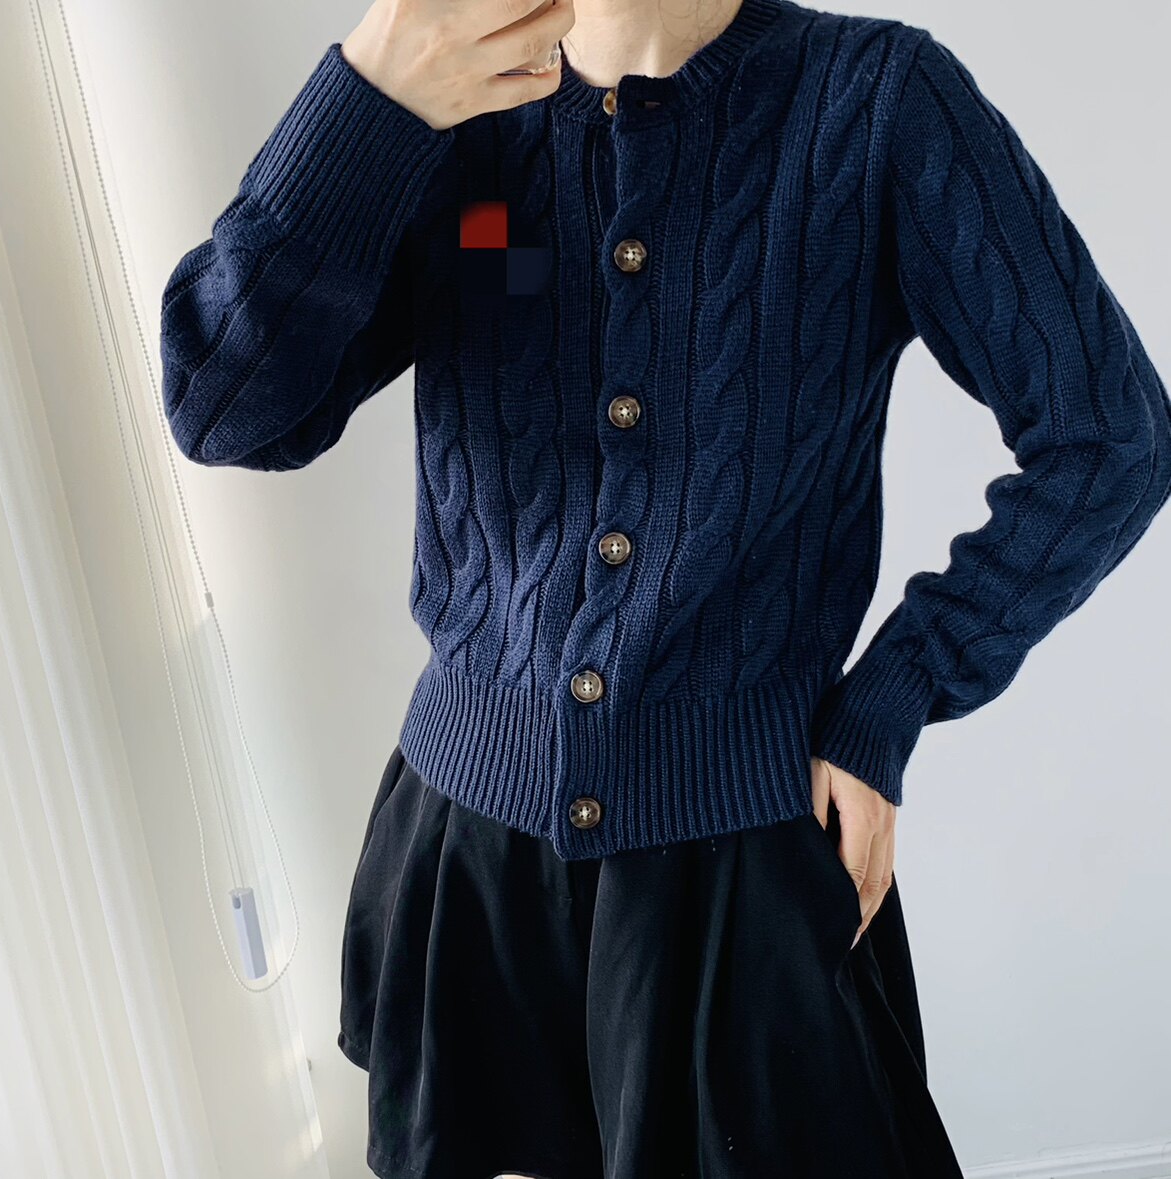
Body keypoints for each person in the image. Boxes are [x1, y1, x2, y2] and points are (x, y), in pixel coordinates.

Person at [158, 0, 1171, 1174]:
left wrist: (891, 699)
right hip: (473, 869)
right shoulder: (447, 115)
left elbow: (1111, 439)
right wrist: (366, 96)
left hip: (745, 874)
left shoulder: (877, 102)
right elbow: (224, 409)